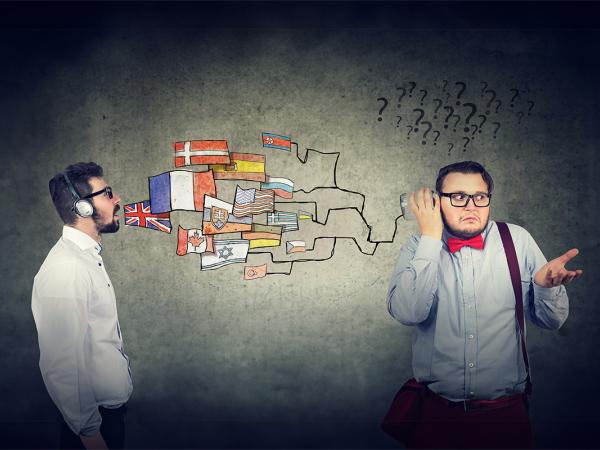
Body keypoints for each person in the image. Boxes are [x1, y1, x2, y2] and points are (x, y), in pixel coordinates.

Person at [386, 160, 583, 449]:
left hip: (505, 417)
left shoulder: (517, 240)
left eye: (479, 197)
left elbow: (552, 322)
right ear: (436, 201)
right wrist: (430, 237)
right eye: (457, 196)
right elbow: (408, 312)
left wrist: (543, 286)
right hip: (437, 416)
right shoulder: (418, 246)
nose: (470, 206)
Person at [32, 162, 132, 449]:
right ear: (83, 208)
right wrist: (92, 436)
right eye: (108, 193)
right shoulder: (68, 268)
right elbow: (62, 364)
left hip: (105, 419)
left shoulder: (86, 258)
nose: (117, 200)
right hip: (93, 430)